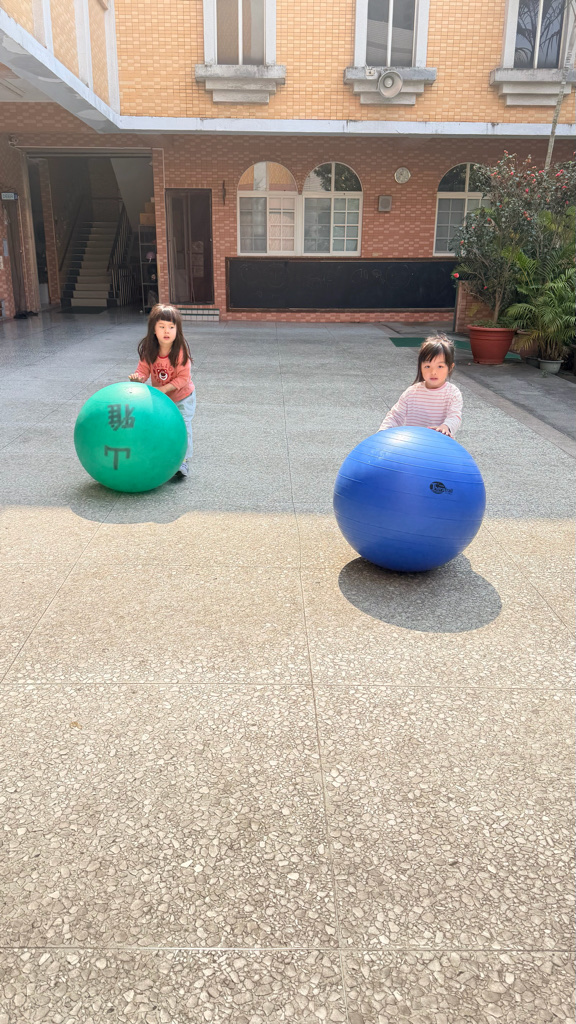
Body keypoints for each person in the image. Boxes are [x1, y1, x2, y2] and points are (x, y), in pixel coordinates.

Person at [129, 303, 196, 479]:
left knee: (182, 426)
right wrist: (138, 378)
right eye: (162, 326)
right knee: (161, 426)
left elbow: (184, 378)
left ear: (177, 330)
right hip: (161, 398)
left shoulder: (180, 351)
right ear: (153, 329)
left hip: (183, 397)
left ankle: (183, 461)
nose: (167, 331)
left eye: (171, 327)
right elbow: (143, 370)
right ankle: (162, 454)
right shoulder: (149, 351)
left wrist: (164, 388)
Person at [379, 335, 462, 436]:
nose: (433, 372)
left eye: (440, 366)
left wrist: (446, 427)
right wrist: (383, 431)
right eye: (427, 366)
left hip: (439, 442)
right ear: (420, 367)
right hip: (414, 442)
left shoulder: (452, 393)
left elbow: (454, 416)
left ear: (450, 367)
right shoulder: (411, 392)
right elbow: (396, 416)